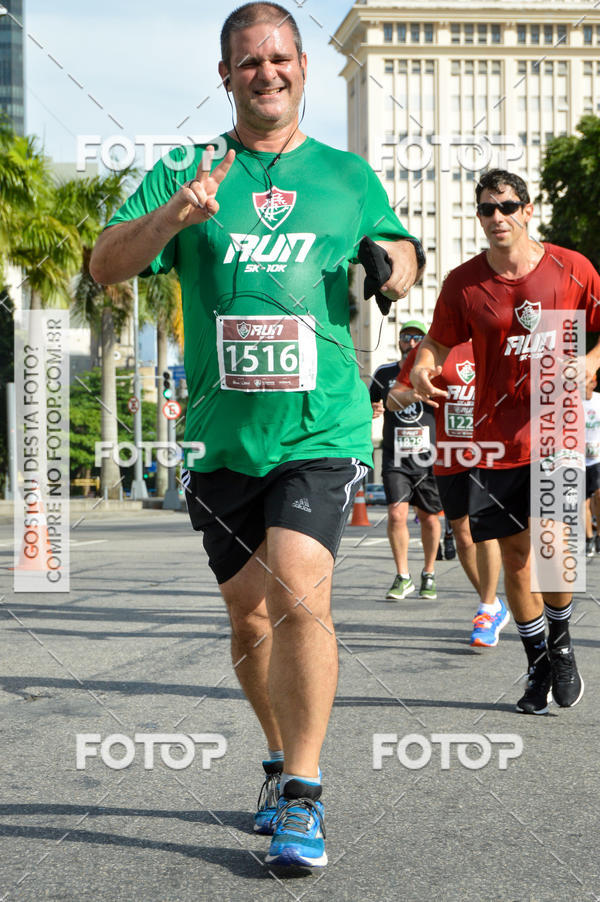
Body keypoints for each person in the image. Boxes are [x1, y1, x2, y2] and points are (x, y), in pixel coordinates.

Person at [89, 2, 424, 870]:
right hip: (219, 439)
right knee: (250, 617)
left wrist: (390, 263)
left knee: (301, 589)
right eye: (247, 61)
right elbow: (104, 264)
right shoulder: (188, 170)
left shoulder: (345, 176)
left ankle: (305, 798)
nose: (265, 72)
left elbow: (401, 248)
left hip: (322, 426)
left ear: (303, 68)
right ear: (225, 76)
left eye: (279, 57)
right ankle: (278, 762)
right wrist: (173, 219)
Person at [411, 168, 600, 714]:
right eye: (487, 209)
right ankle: (538, 661)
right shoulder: (465, 282)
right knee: (516, 561)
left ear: (527, 209)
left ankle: (561, 646)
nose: (497, 217)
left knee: (552, 551)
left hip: (555, 427)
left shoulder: (571, 268)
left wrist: (589, 360)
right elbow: (437, 339)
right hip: (495, 441)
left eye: (507, 206)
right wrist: (424, 366)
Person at [389, 339, 507, 647]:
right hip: (449, 456)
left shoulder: (496, 338)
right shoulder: (432, 347)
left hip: (490, 451)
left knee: (485, 529)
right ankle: (491, 602)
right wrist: (412, 394)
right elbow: (392, 399)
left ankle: (486, 607)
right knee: (463, 533)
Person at [370, 322, 443, 600]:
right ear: (398, 342)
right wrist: (374, 408)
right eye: (405, 337)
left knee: (428, 517)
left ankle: (428, 572)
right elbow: (371, 402)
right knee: (396, 514)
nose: (411, 342)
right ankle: (403, 576)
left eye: (417, 338)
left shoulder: (435, 374)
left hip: (428, 455)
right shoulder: (385, 373)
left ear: (424, 343)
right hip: (395, 455)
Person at [583, 385, 600, 557]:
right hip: (577, 458)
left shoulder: (598, 400)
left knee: (599, 495)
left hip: (597, 458)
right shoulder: (571, 402)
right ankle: (589, 539)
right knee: (583, 501)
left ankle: (599, 535)